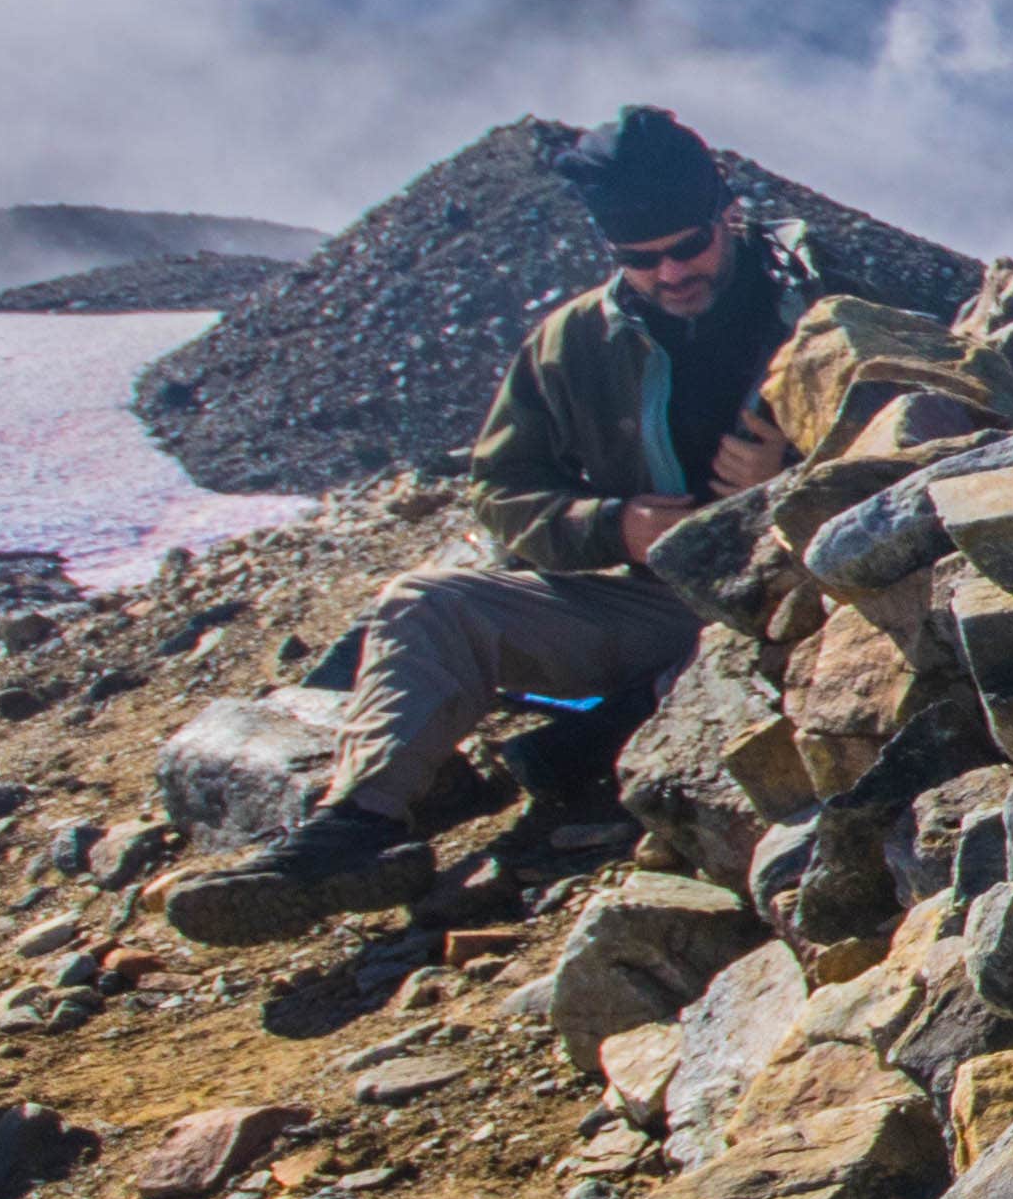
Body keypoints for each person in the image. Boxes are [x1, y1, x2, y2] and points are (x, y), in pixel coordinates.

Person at [166, 106, 827, 943]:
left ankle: (580, 760)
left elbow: (911, 458)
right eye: (638, 258)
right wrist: (613, 527)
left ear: (725, 214)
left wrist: (788, 478)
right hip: (652, 604)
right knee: (426, 604)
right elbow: (504, 491)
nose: (668, 273)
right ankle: (355, 831)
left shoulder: (813, 315)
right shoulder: (572, 342)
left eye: (687, 247)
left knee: (666, 711)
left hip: (798, 607)